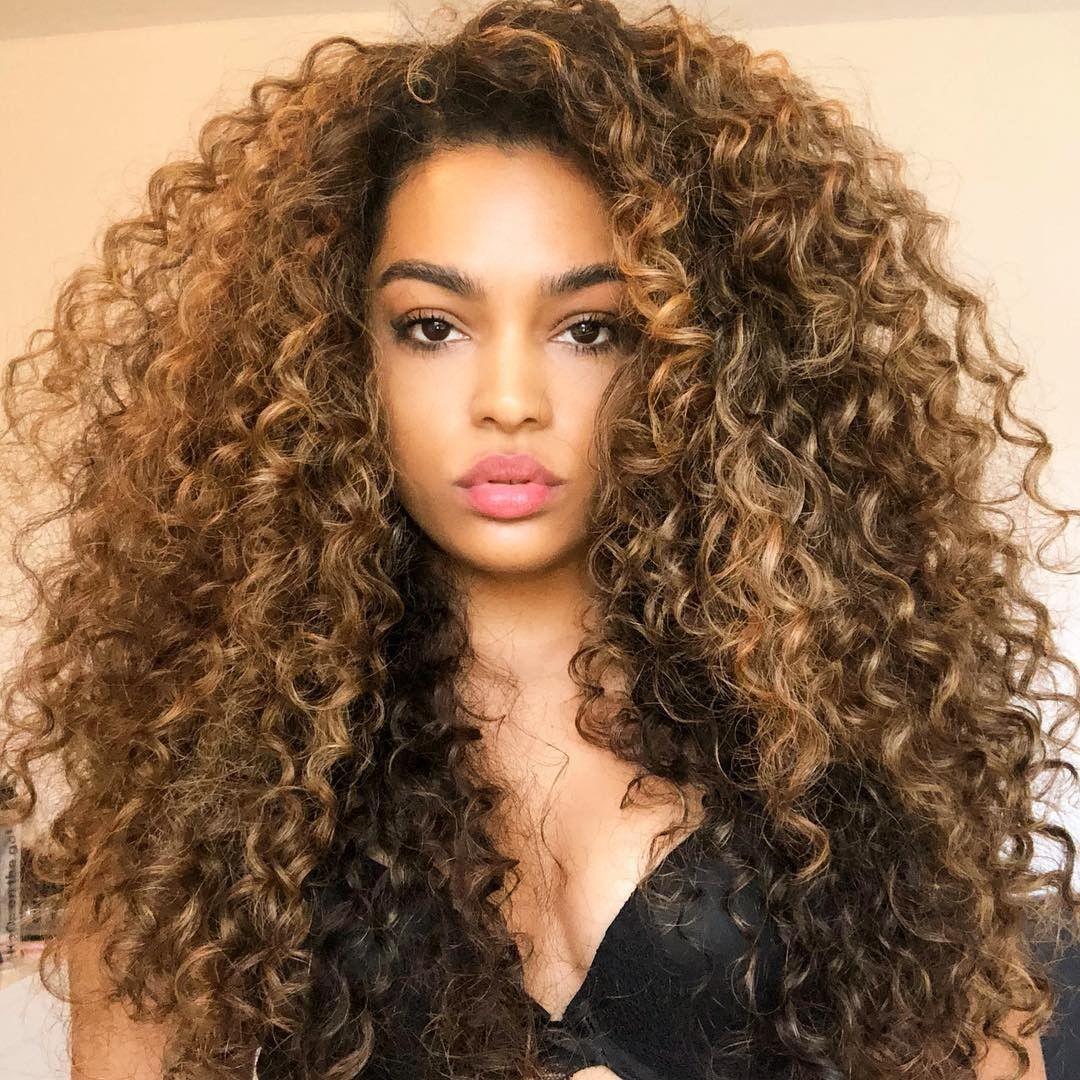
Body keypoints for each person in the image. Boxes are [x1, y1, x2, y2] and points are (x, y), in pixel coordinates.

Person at [0, 1, 1075, 1078]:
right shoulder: (201, 790)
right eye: (433, 327)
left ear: (702, 362)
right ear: (338, 356)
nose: (509, 399)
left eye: (589, 329)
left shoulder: (857, 728)